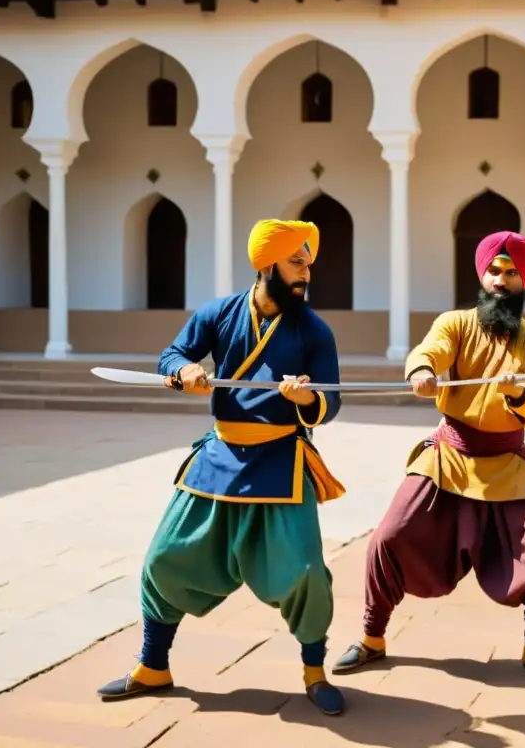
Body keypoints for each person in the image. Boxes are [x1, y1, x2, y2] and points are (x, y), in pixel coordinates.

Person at [96, 219, 349, 716]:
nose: (306, 274)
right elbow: (173, 354)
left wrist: (307, 398)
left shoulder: (315, 330)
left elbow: (330, 402)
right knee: (164, 559)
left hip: (281, 458)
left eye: (308, 264)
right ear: (266, 263)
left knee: (305, 573)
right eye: (296, 262)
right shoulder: (216, 313)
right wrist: (184, 370)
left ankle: (315, 672)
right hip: (219, 455)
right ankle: (153, 665)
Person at [331, 230, 525, 686]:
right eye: (494, 271)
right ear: (482, 276)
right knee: (389, 537)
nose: (502, 280)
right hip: (448, 456)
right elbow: (430, 350)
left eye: (512, 273)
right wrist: (422, 370)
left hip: (509, 464)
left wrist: (517, 391)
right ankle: (372, 637)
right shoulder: (456, 323)